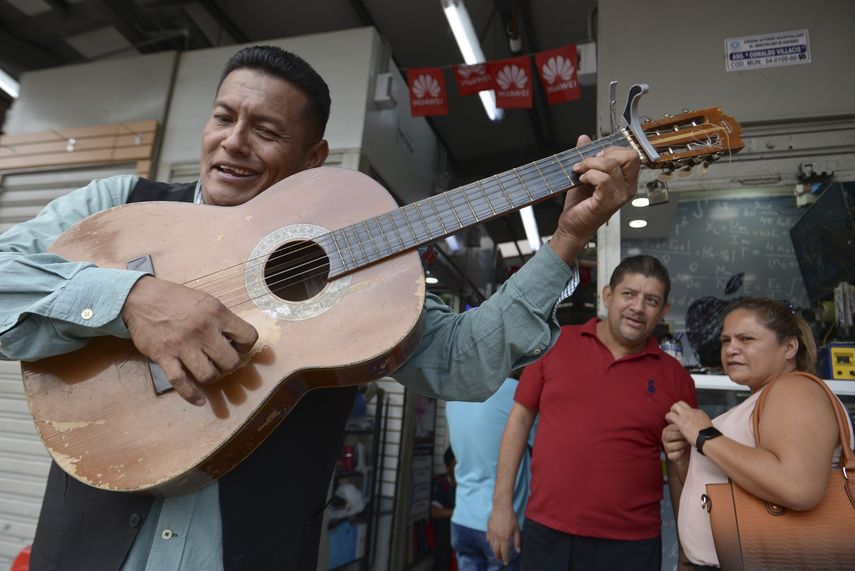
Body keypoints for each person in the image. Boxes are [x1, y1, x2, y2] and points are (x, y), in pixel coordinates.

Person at [0, 45, 640, 570]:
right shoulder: (124, 205)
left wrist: (567, 240)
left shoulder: (362, 274)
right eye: (224, 117)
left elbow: (467, 365)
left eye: (267, 131)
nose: (235, 143)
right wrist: (133, 299)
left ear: (313, 162)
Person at [488, 255, 697, 571]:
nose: (638, 307)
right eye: (629, 294)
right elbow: (518, 422)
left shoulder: (676, 379)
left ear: (663, 311)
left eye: (651, 300)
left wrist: (687, 551)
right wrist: (502, 507)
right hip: (548, 531)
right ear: (608, 296)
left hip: (631, 545)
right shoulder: (554, 346)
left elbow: (683, 472)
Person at [661, 298, 853, 571]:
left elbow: (797, 487)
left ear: (789, 347)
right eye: (726, 340)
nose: (731, 349)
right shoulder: (761, 398)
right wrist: (684, 456)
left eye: (746, 338)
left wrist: (704, 436)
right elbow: (726, 484)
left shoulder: (795, 391)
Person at [446, 375, 535, 571]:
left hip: (461, 519)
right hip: (500, 525)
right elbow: (543, 444)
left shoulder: (452, 397)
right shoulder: (515, 393)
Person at [431, 447, 457, 571]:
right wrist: (456, 513)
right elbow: (434, 512)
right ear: (448, 466)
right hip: (445, 539)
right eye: (455, 464)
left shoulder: (467, 483)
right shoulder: (442, 483)